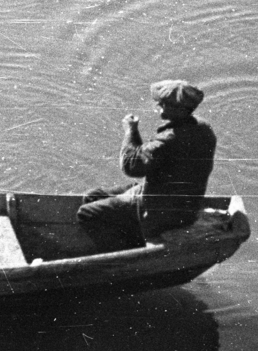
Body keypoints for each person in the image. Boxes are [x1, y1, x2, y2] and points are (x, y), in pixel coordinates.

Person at [76, 79, 217, 252]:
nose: (159, 105)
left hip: (159, 209)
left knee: (87, 213)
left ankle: (125, 256)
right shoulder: (204, 128)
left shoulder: (169, 139)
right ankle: (134, 236)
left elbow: (130, 166)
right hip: (181, 204)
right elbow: (148, 160)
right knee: (93, 196)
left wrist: (131, 130)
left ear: (178, 110)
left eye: (164, 104)